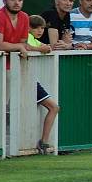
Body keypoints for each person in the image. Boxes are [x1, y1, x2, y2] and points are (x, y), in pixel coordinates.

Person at [27, 15, 60, 154]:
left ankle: (43, 142)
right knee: (54, 107)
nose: (39, 31)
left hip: (29, 79)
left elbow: (46, 47)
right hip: (27, 80)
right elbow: (26, 46)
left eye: (42, 28)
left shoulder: (34, 39)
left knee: (54, 107)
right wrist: (41, 49)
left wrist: (44, 48)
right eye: (35, 27)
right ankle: (43, 142)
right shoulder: (27, 37)